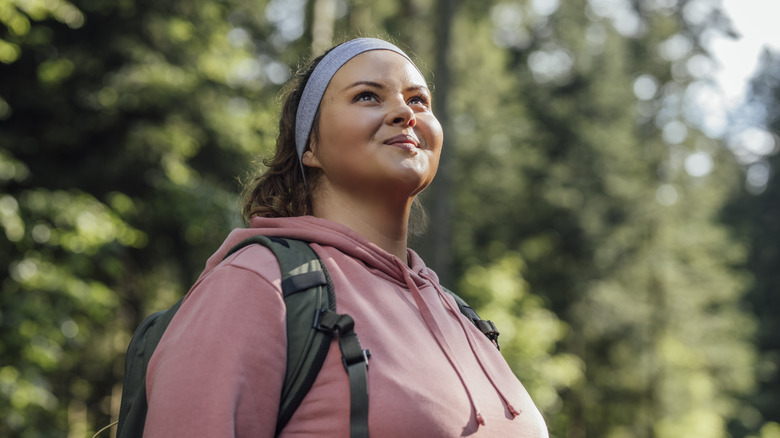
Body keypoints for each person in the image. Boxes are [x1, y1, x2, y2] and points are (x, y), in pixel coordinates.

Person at [143, 37, 549, 437]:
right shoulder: (258, 284)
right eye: (368, 96)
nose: (404, 113)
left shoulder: (462, 317)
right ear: (310, 147)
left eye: (418, 100)